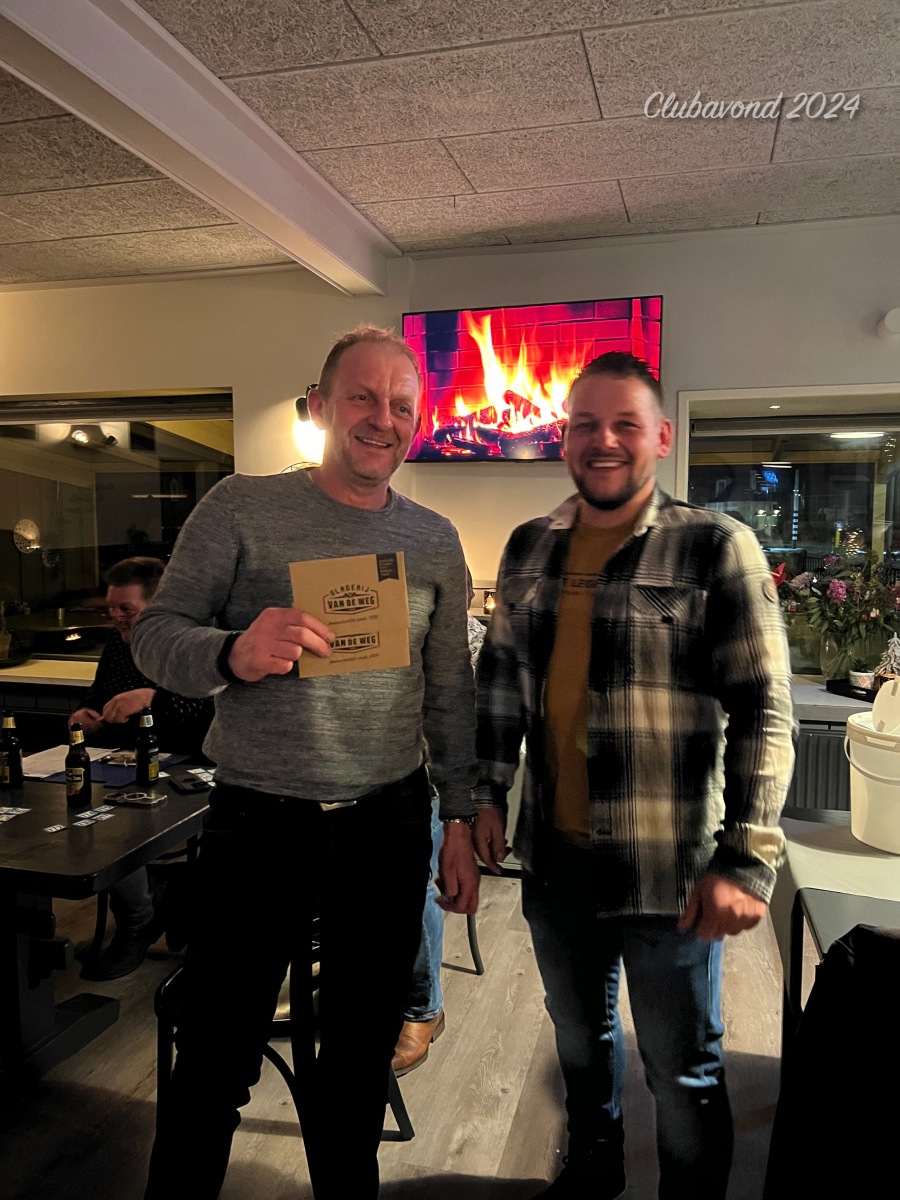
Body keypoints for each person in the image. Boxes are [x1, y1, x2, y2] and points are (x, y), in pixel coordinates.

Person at [132, 325, 480, 1200]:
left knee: (359, 1064)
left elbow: (450, 693)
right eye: (362, 397)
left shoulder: (434, 540)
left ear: (418, 422)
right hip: (259, 821)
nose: (381, 418)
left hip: (387, 825)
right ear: (320, 406)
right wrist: (231, 652)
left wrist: (460, 818)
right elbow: (154, 634)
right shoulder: (240, 508)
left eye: (401, 405)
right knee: (214, 1059)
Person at [473, 351, 795, 1200]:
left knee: (682, 1071)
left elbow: (765, 710)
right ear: (564, 440)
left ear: (662, 435)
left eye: (625, 423)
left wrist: (747, 857)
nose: (603, 440)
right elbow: (499, 683)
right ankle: (592, 1174)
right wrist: (483, 795)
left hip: (669, 868)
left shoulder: (715, 546)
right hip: (556, 863)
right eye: (585, 424)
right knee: (579, 1044)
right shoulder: (529, 547)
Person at [72, 557, 214, 981]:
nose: (116, 617)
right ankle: (154, 894)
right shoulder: (118, 645)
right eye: (110, 609)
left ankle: (138, 920)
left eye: (126, 609)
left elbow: (211, 713)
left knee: (112, 828)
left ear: (157, 606)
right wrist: (86, 714)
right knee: (82, 815)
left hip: (190, 768)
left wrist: (152, 698)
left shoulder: (191, 642)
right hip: (126, 763)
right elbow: (99, 695)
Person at [392, 566, 486, 1075]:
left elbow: (466, 720)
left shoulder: (473, 642)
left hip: (432, 780)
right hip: (383, 774)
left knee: (414, 886)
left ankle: (423, 1008)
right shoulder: (398, 632)